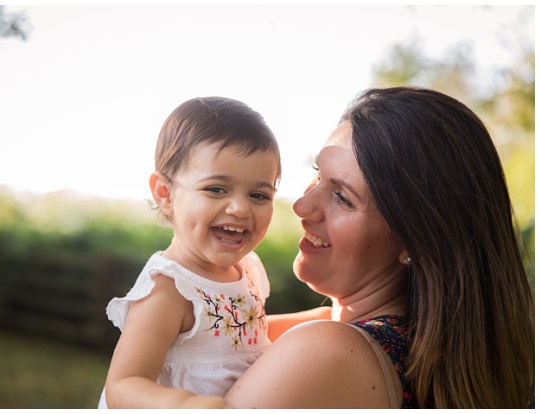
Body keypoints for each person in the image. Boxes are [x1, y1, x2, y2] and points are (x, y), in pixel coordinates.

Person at [220, 87, 534, 408]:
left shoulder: (329, 351)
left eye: (343, 197)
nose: (302, 206)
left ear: (414, 240)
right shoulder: (422, 357)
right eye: (318, 175)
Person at [100, 97, 286, 408]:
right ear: (166, 194)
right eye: (216, 189)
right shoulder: (170, 288)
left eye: (258, 194)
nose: (240, 208)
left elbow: (252, 335)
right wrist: (186, 406)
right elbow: (123, 385)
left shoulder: (248, 268)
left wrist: (322, 322)